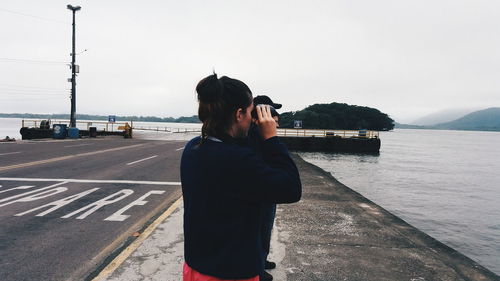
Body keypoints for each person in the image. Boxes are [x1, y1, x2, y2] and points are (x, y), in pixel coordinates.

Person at [181, 74, 302, 281]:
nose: (251, 116)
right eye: (249, 110)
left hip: (196, 266)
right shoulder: (239, 161)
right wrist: (271, 139)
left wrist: (253, 132)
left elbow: (234, 151)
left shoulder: (193, 147)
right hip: (231, 272)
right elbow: (291, 188)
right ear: (239, 114)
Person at [248, 95, 282, 281]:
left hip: (266, 191)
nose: (274, 118)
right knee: (260, 231)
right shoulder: (257, 136)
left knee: (264, 231)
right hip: (262, 192)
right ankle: (258, 268)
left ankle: (262, 260)